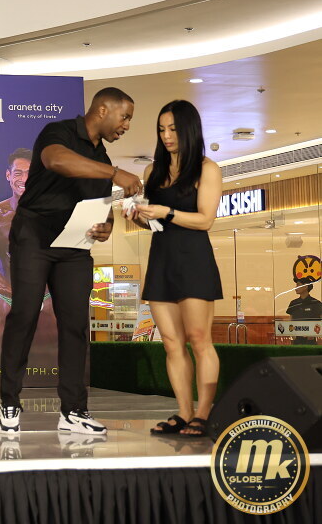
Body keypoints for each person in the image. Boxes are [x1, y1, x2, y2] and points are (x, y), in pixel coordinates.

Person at [0, 87, 141, 437]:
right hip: (34, 236)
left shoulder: (102, 157)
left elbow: (102, 209)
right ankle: (9, 403)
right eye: (124, 117)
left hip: (75, 245)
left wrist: (106, 227)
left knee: (76, 325)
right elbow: (56, 161)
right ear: (103, 109)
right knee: (24, 315)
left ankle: (74, 410)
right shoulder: (58, 131)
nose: (126, 126)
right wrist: (113, 174)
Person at [129, 99, 223, 438]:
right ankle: (184, 413)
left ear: (189, 130)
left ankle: (203, 413)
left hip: (194, 260)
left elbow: (205, 220)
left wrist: (165, 212)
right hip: (162, 260)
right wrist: (139, 217)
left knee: (199, 339)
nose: (167, 136)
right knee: (171, 342)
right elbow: (154, 224)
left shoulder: (206, 168)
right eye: (161, 129)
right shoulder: (151, 172)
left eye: (173, 129)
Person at [0, 148, 56, 342]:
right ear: (8, 175)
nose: (24, 179)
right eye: (18, 173)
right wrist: (16, 295)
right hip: (10, 295)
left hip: (49, 296)